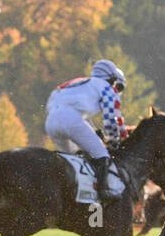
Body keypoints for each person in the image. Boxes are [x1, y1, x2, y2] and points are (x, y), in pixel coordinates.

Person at [44, 59, 126, 204]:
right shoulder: (106, 87)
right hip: (71, 120)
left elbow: (78, 113)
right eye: (116, 84)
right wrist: (114, 139)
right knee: (102, 155)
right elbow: (110, 118)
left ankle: (66, 193)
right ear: (112, 78)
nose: (116, 89)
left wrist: (94, 131)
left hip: (51, 121)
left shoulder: (80, 83)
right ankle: (102, 192)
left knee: (70, 160)